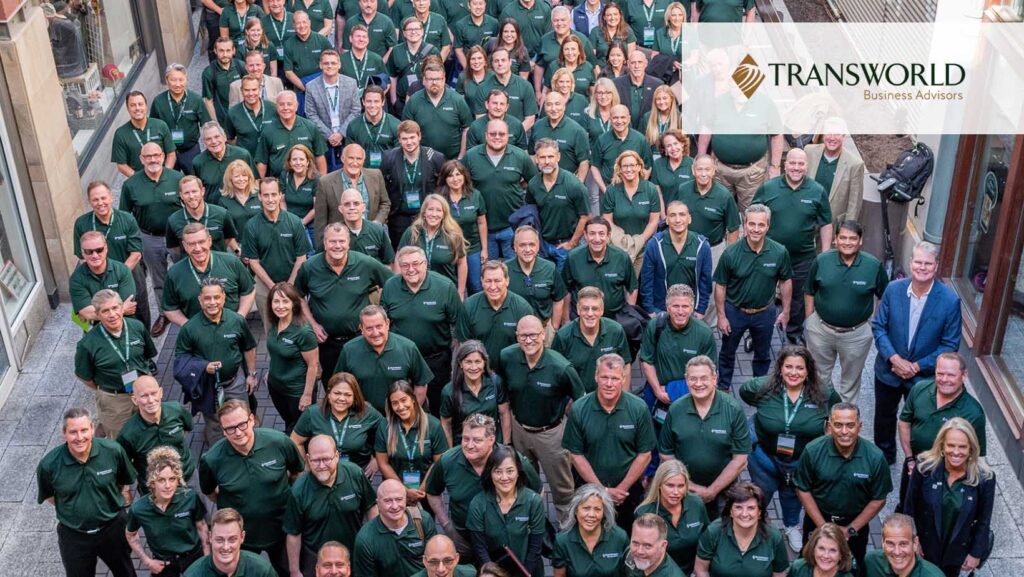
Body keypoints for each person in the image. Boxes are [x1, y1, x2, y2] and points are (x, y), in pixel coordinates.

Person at [739, 345, 841, 553]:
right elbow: (744, 392)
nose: (793, 373)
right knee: (761, 492)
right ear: (780, 369)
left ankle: (791, 524)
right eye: (788, 367)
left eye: (800, 368)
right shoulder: (763, 387)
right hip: (765, 457)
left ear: (808, 371)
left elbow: (835, 415)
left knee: (793, 494)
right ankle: (758, 523)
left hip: (802, 460)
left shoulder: (824, 393)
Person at [872, 241, 962, 464]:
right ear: (911, 263)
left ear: (936, 266)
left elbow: (950, 345)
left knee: (922, 421)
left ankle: (919, 462)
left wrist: (916, 366)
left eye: (928, 264)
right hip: (888, 370)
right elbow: (879, 327)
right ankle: (885, 459)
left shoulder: (950, 301)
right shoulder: (893, 290)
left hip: (923, 377)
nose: (923, 267)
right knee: (884, 417)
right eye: (918, 262)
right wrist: (894, 358)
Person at [200, 400, 305, 576]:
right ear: (223, 430)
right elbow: (210, 492)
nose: (238, 432)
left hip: (282, 530)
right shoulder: (212, 460)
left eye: (242, 424)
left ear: (251, 419)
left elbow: (296, 473)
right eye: (230, 428)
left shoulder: (279, 442)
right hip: (241, 538)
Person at [498, 315, 585, 525]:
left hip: (552, 435)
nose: (529, 340)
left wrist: (567, 425)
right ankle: (532, 527)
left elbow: (580, 400)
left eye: (534, 335)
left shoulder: (561, 367)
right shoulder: (506, 357)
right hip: (519, 430)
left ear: (543, 335)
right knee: (524, 486)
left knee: (562, 490)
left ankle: (566, 532)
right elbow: (505, 393)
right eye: (524, 336)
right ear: (517, 336)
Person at [36, 407, 137, 577]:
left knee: (126, 573)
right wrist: (75, 505)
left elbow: (122, 480)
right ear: (64, 433)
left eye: (84, 430)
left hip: (113, 528)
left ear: (92, 428)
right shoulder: (49, 465)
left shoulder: (113, 451)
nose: (79, 437)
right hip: (74, 536)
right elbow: (50, 496)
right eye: (73, 432)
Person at [426, 414, 543, 559]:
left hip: (503, 543)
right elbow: (432, 492)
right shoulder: (447, 461)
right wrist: (446, 524)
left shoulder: (511, 459)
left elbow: (538, 491)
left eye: (477, 440)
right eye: (465, 438)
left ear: (491, 440)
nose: (469, 445)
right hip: (464, 540)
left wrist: (524, 525)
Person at [795, 403, 892, 571]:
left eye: (850, 425)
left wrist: (851, 529)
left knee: (852, 567)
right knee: (811, 563)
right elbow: (803, 489)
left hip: (855, 526)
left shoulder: (875, 457)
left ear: (860, 426)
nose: (844, 431)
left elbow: (879, 498)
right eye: (838, 425)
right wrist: (823, 526)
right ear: (829, 425)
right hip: (818, 519)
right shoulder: (813, 450)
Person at [563, 353, 656, 529]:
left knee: (627, 535)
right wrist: (602, 491)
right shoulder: (579, 409)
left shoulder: (638, 408)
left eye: (614, 378)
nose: (609, 383)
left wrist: (622, 489)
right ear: (596, 376)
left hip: (628, 493)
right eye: (604, 377)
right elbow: (575, 455)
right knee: (588, 532)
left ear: (623, 378)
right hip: (588, 491)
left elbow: (645, 454)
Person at [752, 147, 833, 345]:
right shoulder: (768, 188)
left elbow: (826, 223)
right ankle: (756, 334)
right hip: (768, 255)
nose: (796, 167)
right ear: (785, 165)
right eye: (792, 163)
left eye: (801, 164)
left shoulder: (817, 190)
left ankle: (794, 332)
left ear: (806, 166)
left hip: (802, 257)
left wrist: (825, 254)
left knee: (798, 297)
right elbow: (752, 215)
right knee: (761, 295)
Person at [804, 220, 889, 402]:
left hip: (856, 334)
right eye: (843, 237)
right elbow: (809, 290)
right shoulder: (822, 261)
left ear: (860, 241)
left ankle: (845, 423)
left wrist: (875, 322)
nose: (847, 242)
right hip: (821, 330)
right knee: (818, 378)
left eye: (852, 238)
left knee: (850, 382)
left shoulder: (873, 266)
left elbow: (884, 294)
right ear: (835, 239)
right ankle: (820, 418)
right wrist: (809, 320)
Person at [657, 356, 750, 520]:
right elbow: (666, 454)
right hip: (683, 490)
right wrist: (688, 486)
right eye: (693, 378)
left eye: (704, 378)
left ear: (715, 378)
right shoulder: (676, 409)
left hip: (724, 491)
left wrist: (712, 490)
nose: (698, 384)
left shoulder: (733, 410)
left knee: (723, 531)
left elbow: (740, 459)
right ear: (686, 380)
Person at [713, 204, 793, 392]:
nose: (756, 229)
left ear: (768, 226)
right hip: (735, 311)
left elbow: (786, 282)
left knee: (763, 355)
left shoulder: (779, 252)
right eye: (752, 224)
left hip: (765, 312)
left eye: (761, 225)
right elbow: (720, 285)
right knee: (727, 352)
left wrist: (786, 312)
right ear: (745, 225)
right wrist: (721, 315)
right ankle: (723, 388)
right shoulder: (731, 253)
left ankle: (759, 389)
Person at [295, 224, 393, 374]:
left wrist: (381, 313)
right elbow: (298, 296)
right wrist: (313, 324)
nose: (337, 246)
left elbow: (393, 284)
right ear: (325, 244)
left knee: (361, 382)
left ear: (348, 243)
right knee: (332, 384)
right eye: (332, 241)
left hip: (360, 340)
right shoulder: (309, 267)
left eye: (342, 241)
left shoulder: (365, 263)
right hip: (327, 342)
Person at [903, 418, 995, 577]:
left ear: (971, 448)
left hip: (955, 553)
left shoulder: (985, 478)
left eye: (962, 447)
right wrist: (912, 541)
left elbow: (984, 520)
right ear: (942, 446)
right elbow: (909, 509)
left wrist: (975, 553)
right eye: (951, 445)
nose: (956, 451)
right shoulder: (924, 468)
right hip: (924, 548)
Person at [173, 279, 258, 444]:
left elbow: (249, 347)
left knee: (242, 418)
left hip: (236, 381)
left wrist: (252, 375)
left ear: (224, 298)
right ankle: (219, 454)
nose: (212, 302)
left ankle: (247, 449)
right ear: (200, 299)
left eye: (216, 297)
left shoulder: (236, 320)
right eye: (207, 298)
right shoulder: (190, 328)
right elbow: (180, 359)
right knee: (215, 424)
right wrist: (204, 367)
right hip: (208, 387)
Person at [381, 246, 463, 414]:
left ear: (426, 263)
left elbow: (459, 326)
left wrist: (456, 361)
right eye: (405, 265)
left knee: (437, 409)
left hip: (436, 361)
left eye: (416, 264)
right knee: (400, 407)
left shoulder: (445, 287)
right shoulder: (390, 286)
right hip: (400, 361)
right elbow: (383, 322)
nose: (411, 269)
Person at [898, 353, 987, 504]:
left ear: (964, 375)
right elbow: (904, 422)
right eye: (940, 374)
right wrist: (910, 459)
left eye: (951, 375)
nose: (944, 380)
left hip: (945, 478)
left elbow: (977, 456)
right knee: (906, 504)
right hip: (914, 466)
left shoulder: (973, 412)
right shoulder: (920, 389)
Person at [284, 435, 377, 575]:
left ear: (337, 456)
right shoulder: (298, 490)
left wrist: (374, 544)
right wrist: (295, 571)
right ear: (308, 459)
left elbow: (371, 506)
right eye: (316, 460)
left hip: (354, 554)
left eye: (326, 459)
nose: (321, 466)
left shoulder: (355, 474)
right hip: (316, 559)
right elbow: (293, 534)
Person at [119, 142, 185, 336]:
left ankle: (187, 308)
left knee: (184, 274)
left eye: (156, 155)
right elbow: (125, 215)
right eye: (148, 156)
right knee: (159, 280)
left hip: (177, 238)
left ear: (163, 156)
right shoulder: (131, 185)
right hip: (149, 238)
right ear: (141, 159)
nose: (153, 159)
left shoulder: (177, 178)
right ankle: (165, 313)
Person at [73, 290, 156, 440]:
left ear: (121, 308)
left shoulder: (137, 327)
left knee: (153, 432)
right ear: (97, 315)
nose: (112, 314)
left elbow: (148, 355)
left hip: (145, 392)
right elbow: (85, 376)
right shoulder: (87, 344)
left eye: (115, 308)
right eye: (105, 311)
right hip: (114, 400)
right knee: (121, 442)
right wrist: (107, 388)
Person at [73, 182, 150, 329]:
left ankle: (143, 343)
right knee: (103, 313)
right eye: (95, 199)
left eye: (103, 198)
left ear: (111, 197)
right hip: (97, 278)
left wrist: (118, 276)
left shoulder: (127, 219)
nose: (100, 203)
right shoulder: (81, 224)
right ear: (89, 201)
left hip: (130, 274)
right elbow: (82, 257)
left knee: (137, 311)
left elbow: (135, 254)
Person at [125, 448, 209, 577]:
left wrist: (207, 557)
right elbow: (131, 535)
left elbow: (201, 526)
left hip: (193, 557)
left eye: (172, 479)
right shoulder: (139, 509)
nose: (168, 485)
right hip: (163, 563)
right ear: (152, 483)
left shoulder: (190, 498)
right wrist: (147, 561)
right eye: (161, 480)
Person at [467, 444, 548, 577]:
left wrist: (524, 574)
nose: (504, 478)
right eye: (498, 471)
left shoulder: (533, 501)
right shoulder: (478, 504)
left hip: (529, 571)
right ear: (490, 473)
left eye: (510, 471)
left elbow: (535, 548)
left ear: (518, 472)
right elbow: (479, 548)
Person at [464, 119, 539, 260]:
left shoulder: (520, 156)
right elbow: (461, 186)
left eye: (501, 134)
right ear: (486, 135)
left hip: (512, 227)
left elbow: (535, 184)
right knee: (489, 275)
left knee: (515, 270)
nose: (497, 137)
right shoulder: (471, 156)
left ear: (507, 136)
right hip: (483, 229)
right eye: (493, 134)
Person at [334, 305, 433, 411]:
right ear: (361, 329)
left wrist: (411, 413)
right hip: (363, 417)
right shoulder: (349, 350)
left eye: (379, 326)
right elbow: (338, 385)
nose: (375, 333)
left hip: (399, 416)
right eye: (369, 328)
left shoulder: (408, 348)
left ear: (387, 324)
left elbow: (421, 384)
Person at [244, 177, 311, 328]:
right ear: (260, 197)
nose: (270, 199)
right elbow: (253, 262)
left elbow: (301, 258)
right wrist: (274, 288)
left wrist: (289, 287)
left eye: (274, 194)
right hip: (264, 284)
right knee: (271, 330)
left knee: (299, 327)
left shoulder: (294, 222)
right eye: (266, 195)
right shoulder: (251, 226)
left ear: (280, 195)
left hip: (294, 282)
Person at [640, 283, 717, 409]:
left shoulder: (704, 333)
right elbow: (647, 361)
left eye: (685, 306)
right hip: (656, 391)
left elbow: (710, 374)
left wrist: (673, 390)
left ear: (692, 308)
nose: (680, 311)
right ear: (667, 307)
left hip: (690, 394)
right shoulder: (655, 326)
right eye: (676, 306)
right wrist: (658, 391)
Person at [291, 372, 385, 473]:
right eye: (337, 393)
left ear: (354, 397)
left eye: (347, 395)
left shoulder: (367, 413)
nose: (341, 398)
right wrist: (305, 465)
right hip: (322, 472)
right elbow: (295, 441)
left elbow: (387, 432)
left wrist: (377, 459)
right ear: (329, 393)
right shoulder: (312, 414)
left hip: (357, 473)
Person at [162, 223, 255, 325]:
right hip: (197, 336)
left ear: (209, 241)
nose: (197, 248)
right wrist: (188, 326)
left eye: (201, 242)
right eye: (191, 244)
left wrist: (240, 317)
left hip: (232, 328)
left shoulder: (231, 262)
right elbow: (170, 308)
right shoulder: (175, 273)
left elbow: (248, 291)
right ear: (184, 246)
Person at [116, 376, 196, 493]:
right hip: (154, 490)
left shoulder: (176, 410)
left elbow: (188, 427)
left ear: (161, 393)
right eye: (144, 396)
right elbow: (123, 465)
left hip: (187, 477)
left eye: (153, 393)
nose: (150, 400)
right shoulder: (128, 434)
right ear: (135, 400)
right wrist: (125, 490)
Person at [375, 381, 449, 506]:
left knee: (425, 524)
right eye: (395, 403)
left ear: (413, 399)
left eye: (404, 400)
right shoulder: (385, 426)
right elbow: (383, 463)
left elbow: (439, 461)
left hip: (426, 491)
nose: (400, 406)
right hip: (395, 494)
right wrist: (404, 491)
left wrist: (421, 490)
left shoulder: (433, 425)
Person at [694, 481, 790, 577]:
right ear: (730, 511)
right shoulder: (713, 531)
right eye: (738, 507)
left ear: (759, 512)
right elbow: (701, 570)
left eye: (751, 508)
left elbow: (779, 574)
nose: (744, 514)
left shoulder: (774, 536)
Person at [562, 216, 640, 326]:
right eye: (592, 233)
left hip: (616, 320)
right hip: (581, 320)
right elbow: (565, 291)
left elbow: (632, 288)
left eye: (601, 234)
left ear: (608, 236)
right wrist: (566, 320)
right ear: (585, 235)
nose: (597, 239)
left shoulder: (621, 257)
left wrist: (629, 316)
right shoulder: (573, 257)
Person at [381, 120, 447, 249]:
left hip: (426, 217)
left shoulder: (434, 157)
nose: (409, 142)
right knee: (401, 253)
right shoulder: (389, 158)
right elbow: (383, 188)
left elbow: (443, 186)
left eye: (412, 137)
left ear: (419, 136)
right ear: (399, 139)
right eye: (404, 138)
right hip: (399, 218)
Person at [352, 479, 439, 577]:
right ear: (378, 504)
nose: (394, 506)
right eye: (388, 501)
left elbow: (437, 564)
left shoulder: (422, 521)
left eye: (399, 499)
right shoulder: (366, 538)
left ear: (406, 500)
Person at [526, 137, 589, 271]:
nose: (547, 161)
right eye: (542, 157)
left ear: (558, 157)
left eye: (550, 156)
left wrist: (572, 243)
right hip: (543, 246)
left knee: (565, 289)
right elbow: (531, 214)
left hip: (565, 246)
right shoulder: (533, 184)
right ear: (536, 159)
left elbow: (585, 216)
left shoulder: (574, 184)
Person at [456, 260, 535, 366]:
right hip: (480, 372)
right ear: (482, 281)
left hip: (513, 370)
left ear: (507, 281)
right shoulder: (469, 306)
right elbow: (463, 345)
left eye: (497, 281)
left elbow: (531, 345)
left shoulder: (522, 308)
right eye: (488, 281)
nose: (493, 287)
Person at [552, 287, 632, 392]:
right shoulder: (563, 336)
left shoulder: (616, 331)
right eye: (585, 308)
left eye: (595, 309)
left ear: (602, 310)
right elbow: (554, 373)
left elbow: (625, 365)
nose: (590, 314)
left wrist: (622, 397)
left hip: (609, 398)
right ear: (578, 309)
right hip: (576, 401)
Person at [635, 460, 708, 575]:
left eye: (681, 486)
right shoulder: (644, 512)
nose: (676, 492)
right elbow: (640, 554)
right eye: (670, 485)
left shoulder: (696, 503)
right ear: (659, 485)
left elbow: (707, 541)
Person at [640, 201, 713, 316]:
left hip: (690, 311)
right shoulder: (654, 245)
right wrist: (651, 310)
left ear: (689, 219)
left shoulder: (702, 245)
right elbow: (646, 281)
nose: (678, 220)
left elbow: (705, 282)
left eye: (682, 215)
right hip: (662, 311)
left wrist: (701, 310)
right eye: (673, 215)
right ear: (667, 220)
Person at [265, 282, 319, 433]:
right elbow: (276, 350)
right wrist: (272, 371)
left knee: (301, 430)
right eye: (276, 301)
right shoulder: (275, 323)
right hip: (276, 387)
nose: (280, 306)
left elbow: (313, 365)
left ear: (294, 304)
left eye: (285, 301)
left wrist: (307, 395)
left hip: (297, 391)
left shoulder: (303, 331)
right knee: (289, 422)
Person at [314, 143, 390, 246]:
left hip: (371, 238)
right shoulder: (326, 182)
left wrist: (377, 223)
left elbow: (385, 203)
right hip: (340, 242)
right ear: (342, 158)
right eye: (351, 158)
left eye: (358, 159)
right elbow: (320, 221)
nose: (355, 163)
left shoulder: (376, 175)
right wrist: (321, 248)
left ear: (363, 160)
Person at [438, 343, 511, 445]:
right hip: (466, 447)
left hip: (492, 446)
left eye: (478, 362)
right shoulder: (449, 391)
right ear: (460, 364)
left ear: (484, 363)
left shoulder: (495, 382)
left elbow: (504, 414)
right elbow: (446, 425)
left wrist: (506, 445)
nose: (473, 367)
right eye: (468, 362)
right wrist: (450, 453)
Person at [602, 150, 661, 273]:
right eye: (625, 166)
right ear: (619, 169)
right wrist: (623, 243)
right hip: (618, 248)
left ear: (639, 167)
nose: (629, 169)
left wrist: (639, 241)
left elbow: (654, 221)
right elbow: (607, 221)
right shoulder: (611, 190)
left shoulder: (650, 189)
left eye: (632, 165)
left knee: (641, 287)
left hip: (644, 249)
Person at [551, 484, 627, 577]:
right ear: (576, 510)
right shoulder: (562, 541)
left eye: (597, 509)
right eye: (586, 508)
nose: (591, 514)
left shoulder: (620, 537)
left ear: (604, 513)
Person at [402, 61, 473, 160]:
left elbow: (467, 128)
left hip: (452, 160)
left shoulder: (457, 100)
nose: (434, 82)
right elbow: (405, 131)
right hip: (423, 161)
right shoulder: (413, 101)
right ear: (424, 80)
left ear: (444, 79)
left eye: (437, 79)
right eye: (430, 79)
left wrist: (461, 156)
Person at [399, 194, 469, 295]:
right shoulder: (412, 232)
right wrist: (399, 288)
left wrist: (461, 292)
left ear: (444, 214)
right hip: (416, 291)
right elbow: (399, 259)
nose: (434, 214)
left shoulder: (453, 235)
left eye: (438, 210)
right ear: (424, 212)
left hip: (445, 291)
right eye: (430, 209)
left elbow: (462, 263)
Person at [306, 49, 362, 172]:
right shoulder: (311, 86)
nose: (330, 66)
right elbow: (311, 114)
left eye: (333, 63)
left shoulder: (351, 83)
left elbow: (356, 110)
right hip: (323, 138)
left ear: (339, 65)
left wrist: (341, 133)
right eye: (326, 63)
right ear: (320, 65)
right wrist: (329, 135)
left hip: (347, 136)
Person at [436, 160, 488, 292]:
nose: (455, 179)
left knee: (476, 286)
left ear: (464, 176)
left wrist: (484, 249)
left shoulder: (475, 195)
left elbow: (481, 222)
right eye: (450, 176)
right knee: (449, 288)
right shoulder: (439, 199)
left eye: (458, 174)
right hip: (448, 248)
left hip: (472, 248)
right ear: (445, 179)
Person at [507, 225, 569, 335]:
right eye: (522, 245)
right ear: (514, 247)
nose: (527, 249)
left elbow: (559, 298)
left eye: (531, 244)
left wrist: (553, 327)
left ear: (538, 246)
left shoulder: (549, 268)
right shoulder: (505, 270)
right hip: (515, 331)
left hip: (544, 329)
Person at [151, 63, 212, 174]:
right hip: (167, 152)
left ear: (186, 80)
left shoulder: (196, 100)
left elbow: (207, 125)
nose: (178, 84)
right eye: (173, 80)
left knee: (195, 181)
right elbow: (152, 128)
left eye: (181, 80)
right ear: (166, 80)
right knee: (169, 183)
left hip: (190, 151)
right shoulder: (158, 102)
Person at [804, 120, 866, 228]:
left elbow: (854, 205)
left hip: (832, 225)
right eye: (828, 133)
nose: (832, 138)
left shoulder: (855, 165)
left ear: (844, 135)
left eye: (837, 134)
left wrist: (847, 230)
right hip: (806, 220)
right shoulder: (809, 152)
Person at [184, 508, 278, 577]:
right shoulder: (193, 574)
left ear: (242, 537)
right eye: (219, 540)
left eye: (232, 539)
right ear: (210, 537)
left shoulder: (262, 571)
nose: (226, 547)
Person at [69, 232, 138, 324]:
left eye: (99, 250)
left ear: (106, 249)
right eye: (89, 252)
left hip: (125, 323)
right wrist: (123, 309)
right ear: (83, 253)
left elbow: (128, 302)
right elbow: (87, 313)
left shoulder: (122, 270)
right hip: (97, 328)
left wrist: (97, 313)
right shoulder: (76, 279)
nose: (94, 255)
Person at [256, 91, 328, 177]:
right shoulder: (268, 131)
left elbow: (320, 156)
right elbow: (262, 162)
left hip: (308, 181)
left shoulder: (310, 127)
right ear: (276, 107)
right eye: (281, 104)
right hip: (279, 183)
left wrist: (322, 180)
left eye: (289, 104)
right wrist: (259, 185)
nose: (285, 108)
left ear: (296, 106)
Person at [165, 176, 240, 257]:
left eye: (194, 191)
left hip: (218, 264)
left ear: (202, 191)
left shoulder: (222, 214)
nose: (191, 196)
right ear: (181, 195)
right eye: (186, 193)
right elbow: (175, 248)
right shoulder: (173, 220)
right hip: (190, 266)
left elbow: (228, 239)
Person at [591, 105, 653, 201]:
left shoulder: (640, 139)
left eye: (623, 117)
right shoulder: (602, 140)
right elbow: (594, 166)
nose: (619, 121)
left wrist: (638, 189)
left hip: (634, 194)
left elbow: (647, 167)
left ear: (629, 119)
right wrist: (605, 190)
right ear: (610, 119)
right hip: (609, 191)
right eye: (615, 118)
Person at [112, 91, 176, 177]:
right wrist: (139, 180)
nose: (137, 108)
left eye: (140, 104)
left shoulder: (161, 125)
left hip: (162, 176)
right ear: (127, 108)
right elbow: (121, 165)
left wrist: (166, 174)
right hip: (139, 181)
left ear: (146, 106)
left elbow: (171, 154)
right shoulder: (120, 134)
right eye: (133, 105)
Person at [531, 92, 592, 182]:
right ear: (544, 107)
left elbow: (584, 161)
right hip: (541, 182)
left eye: (557, 104)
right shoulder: (537, 126)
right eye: (549, 105)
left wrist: (578, 183)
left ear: (564, 106)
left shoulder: (577, 130)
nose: (553, 108)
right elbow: (532, 154)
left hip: (567, 184)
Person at [283, 10, 334, 115]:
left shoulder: (322, 40)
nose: (302, 26)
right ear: (293, 25)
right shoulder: (288, 44)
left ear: (309, 22)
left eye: (304, 22)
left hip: (323, 87)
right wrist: (307, 88)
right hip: (301, 88)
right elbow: (288, 72)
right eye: (298, 23)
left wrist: (321, 87)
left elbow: (333, 63)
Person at [862, 514, 945, 577]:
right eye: (890, 544)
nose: (897, 552)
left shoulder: (933, 575)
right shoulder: (871, 562)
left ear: (915, 543)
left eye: (903, 544)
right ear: (882, 542)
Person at [387, 17, 440, 109]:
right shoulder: (396, 51)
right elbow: (392, 76)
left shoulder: (432, 51)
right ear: (404, 33)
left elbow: (439, 76)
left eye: (416, 29)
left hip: (426, 101)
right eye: (410, 29)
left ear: (422, 31)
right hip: (401, 101)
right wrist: (394, 100)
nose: (413, 32)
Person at [193, 122, 255, 201]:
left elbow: (254, 182)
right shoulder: (198, 162)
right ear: (204, 143)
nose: (214, 141)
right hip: (213, 210)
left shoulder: (242, 155)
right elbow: (197, 190)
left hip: (240, 208)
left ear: (224, 137)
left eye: (217, 136)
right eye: (208, 139)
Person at [344, 86, 399, 168]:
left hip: (389, 174)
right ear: (363, 102)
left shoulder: (396, 125)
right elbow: (350, 156)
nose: (372, 105)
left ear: (383, 102)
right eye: (369, 101)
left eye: (376, 101)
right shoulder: (353, 126)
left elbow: (399, 156)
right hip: (363, 174)